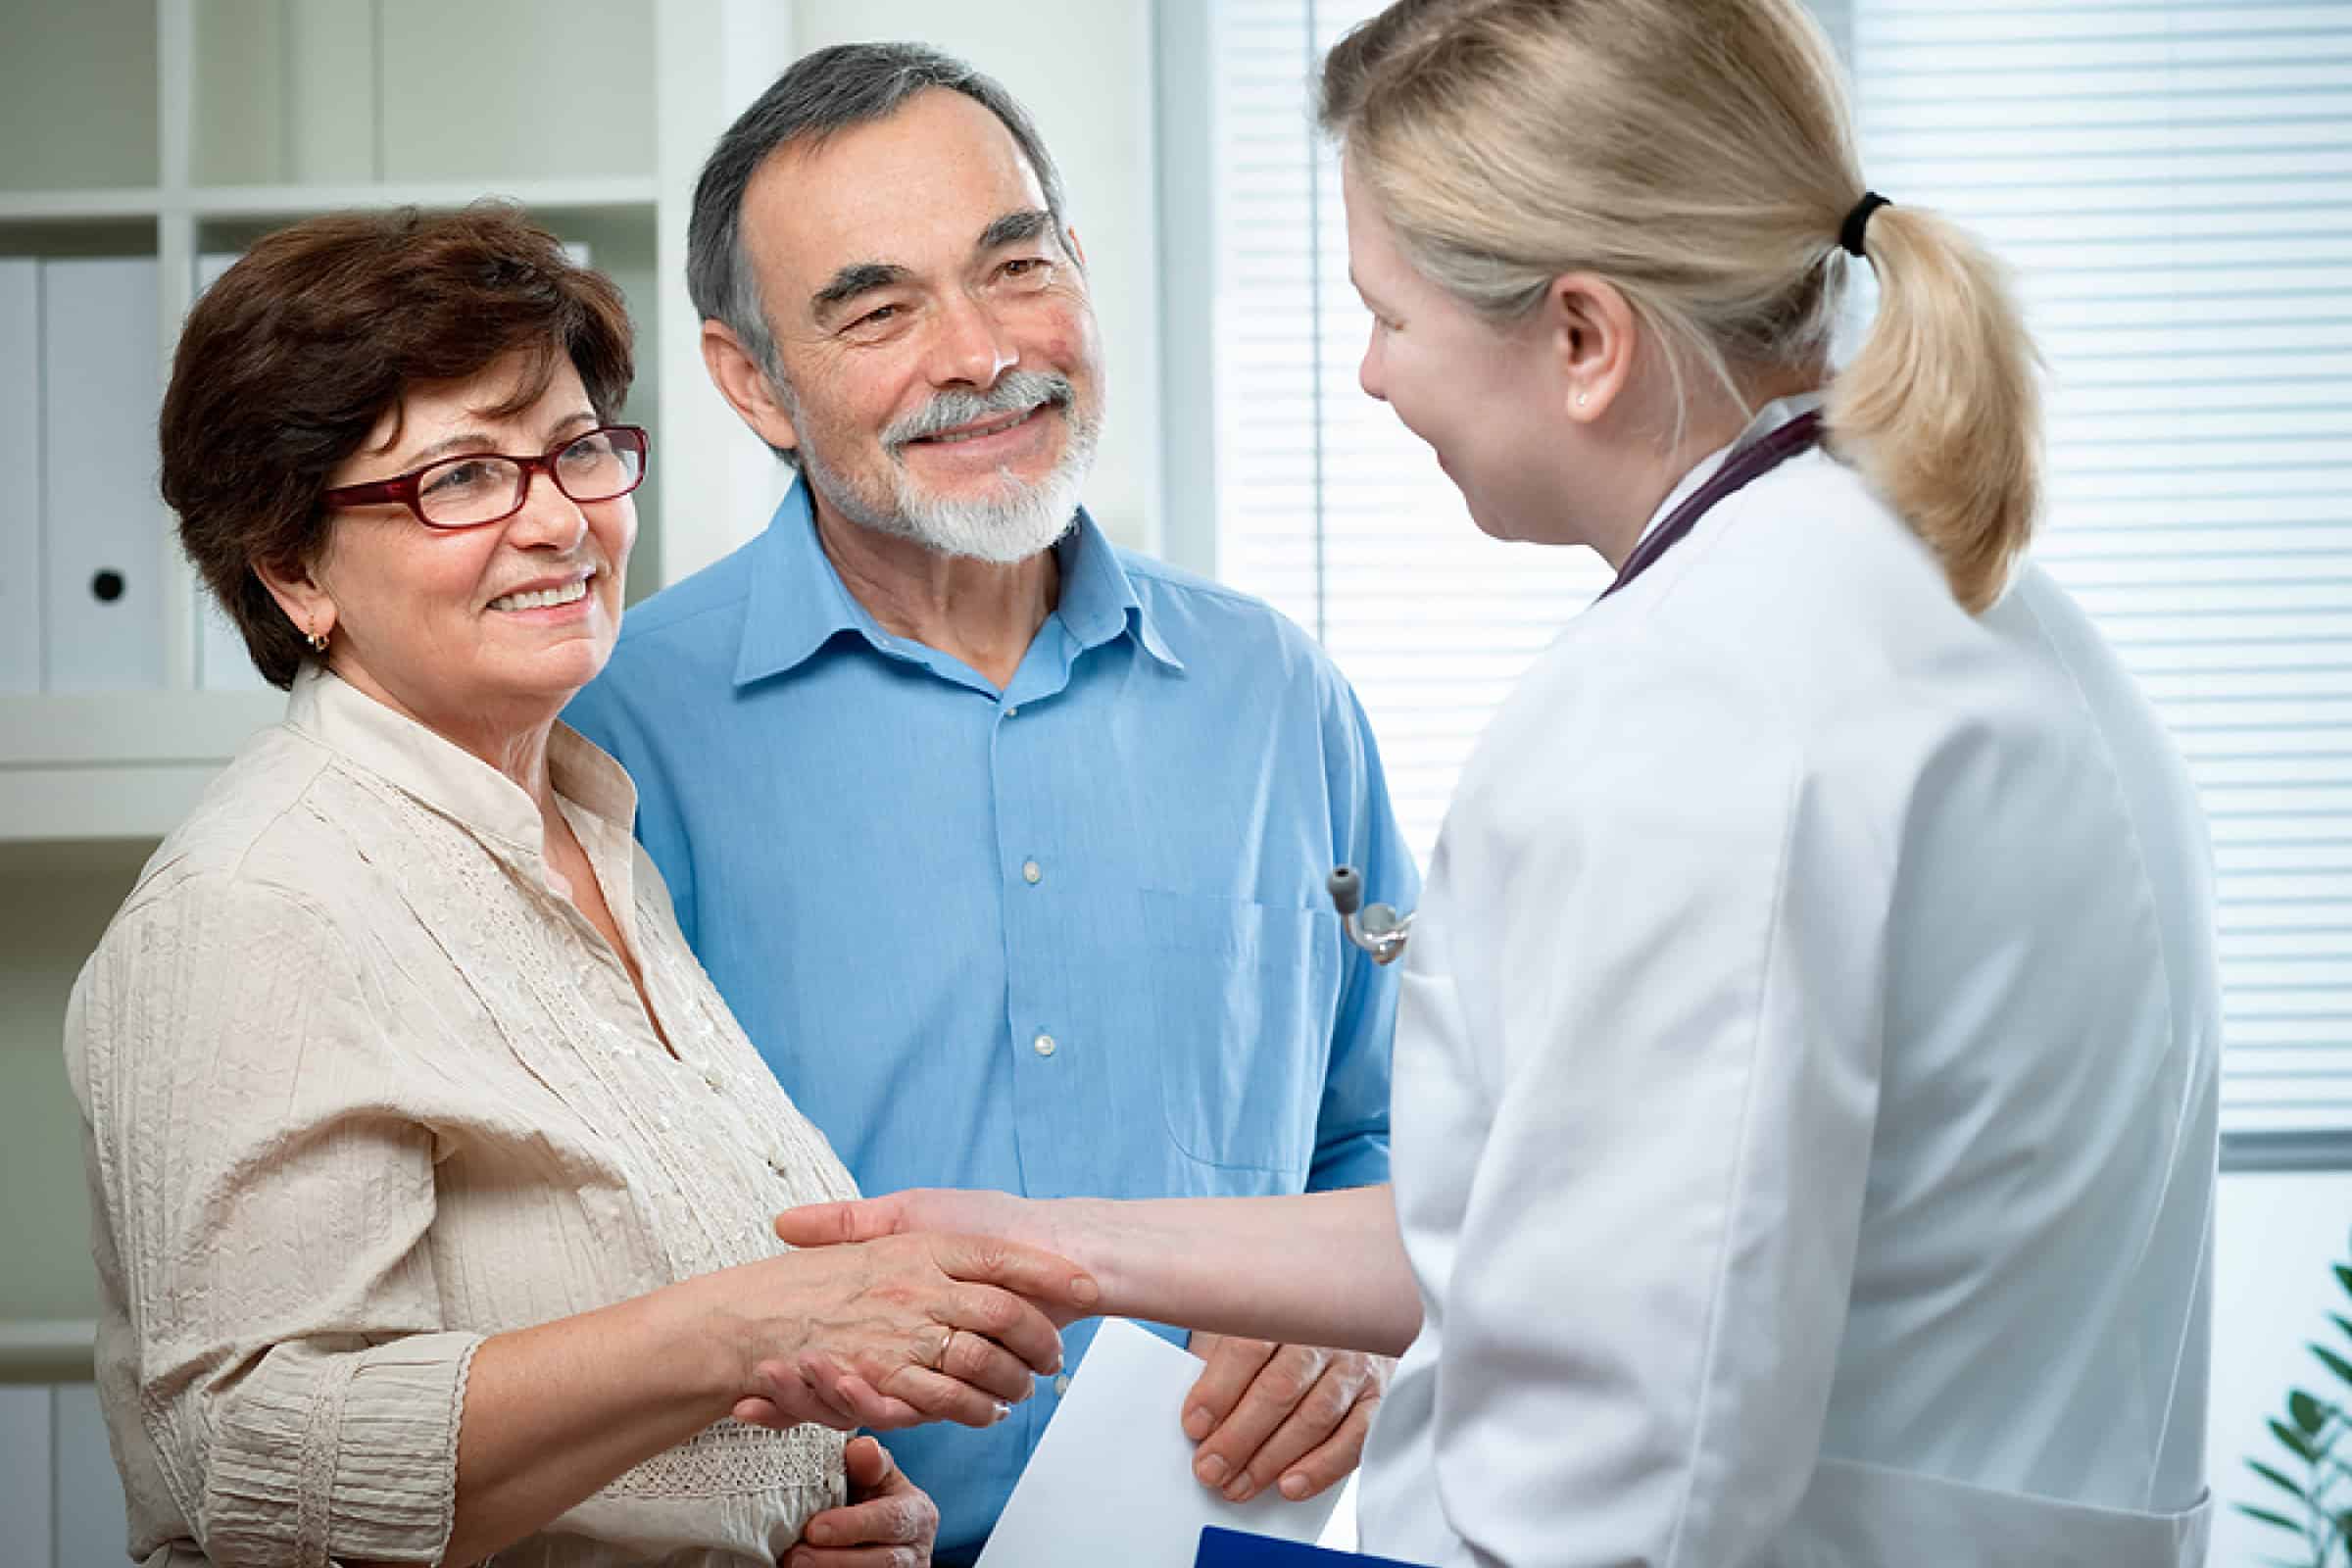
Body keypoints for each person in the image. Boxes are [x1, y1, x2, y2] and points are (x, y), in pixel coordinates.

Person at [767, 1, 2224, 1563]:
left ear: (1583, 342)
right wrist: (1050, 1244)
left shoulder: (1699, 704)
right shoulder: (1942, 593)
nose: (1374, 375)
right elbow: (1530, 1218)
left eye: (1388, 313)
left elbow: (1617, 1469)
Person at [65, 205, 1100, 1568]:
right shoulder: (256, 907)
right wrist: (757, 1324)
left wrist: (800, 1514)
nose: (557, 522)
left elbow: (622, 1434)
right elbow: (262, 1466)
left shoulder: (592, 833)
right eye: (459, 480)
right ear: (292, 568)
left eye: (574, 453)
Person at [562, 43, 1418, 1561]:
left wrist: (1343, 1332)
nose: (977, 354)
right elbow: (564, 1262)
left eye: (1016, 267)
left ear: (1080, 269)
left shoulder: (1281, 697)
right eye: (879, 310)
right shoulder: (612, 738)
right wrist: (702, 1510)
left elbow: (1392, 1137)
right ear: (750, 378)